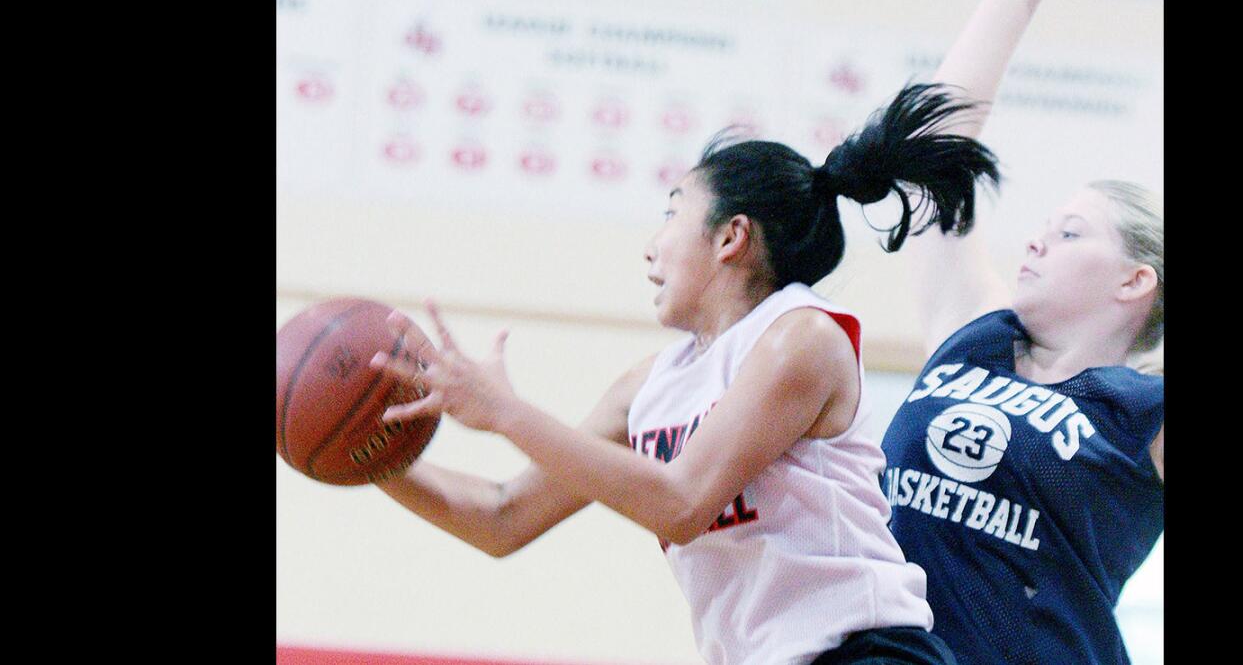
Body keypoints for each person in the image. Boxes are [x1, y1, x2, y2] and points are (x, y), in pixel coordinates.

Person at [366, 84, 1002, 665]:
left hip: (866, 654)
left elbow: (681, 504)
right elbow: (502, 517)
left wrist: (506, 411)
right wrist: (368, 453)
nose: (651, 244)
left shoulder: (802, 338)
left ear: (731, 237)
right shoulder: (648, 387)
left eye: (671, 213)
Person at [877, 0, 1163, 665]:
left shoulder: (1147, 412)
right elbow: (934, 149)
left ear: (1136, 281)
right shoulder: (975, 333)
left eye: (1072, 233)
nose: (1039, 237)